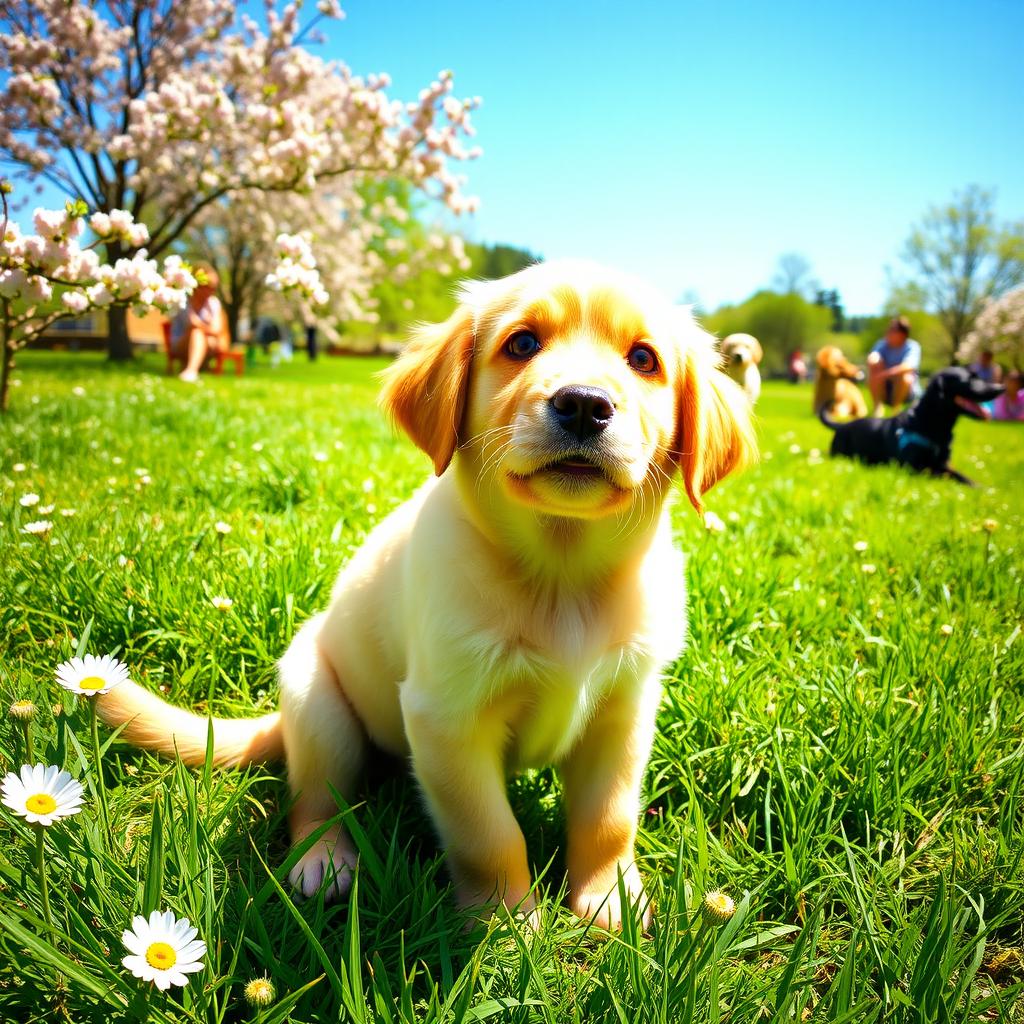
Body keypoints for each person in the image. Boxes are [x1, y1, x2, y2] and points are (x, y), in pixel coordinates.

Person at [170, 268, 227, 382]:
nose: (211, 292)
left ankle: (193, 368)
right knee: (196, 333)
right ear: (197, 286)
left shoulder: (213, 302)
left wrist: (200, 327)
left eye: (213, 289)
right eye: (208, 287)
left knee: (198, 332)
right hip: (181, 343)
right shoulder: (183, 302)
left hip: (207, 342)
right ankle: (191, 370)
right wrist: (204, 327)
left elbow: (216, 330)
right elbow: (191, 325)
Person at [867, 315, 920, 415]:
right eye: (889, 328)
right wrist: (874, 359)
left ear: (902, 334)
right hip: (884, 388)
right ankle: (878, 408)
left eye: (892, 329)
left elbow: (908, 366)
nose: (888, 332)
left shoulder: (912, 346)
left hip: (906, 393)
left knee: (906, 376)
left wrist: (884, 375)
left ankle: (896, 410)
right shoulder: (882, 344)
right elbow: (873, 357)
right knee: (875, 364)